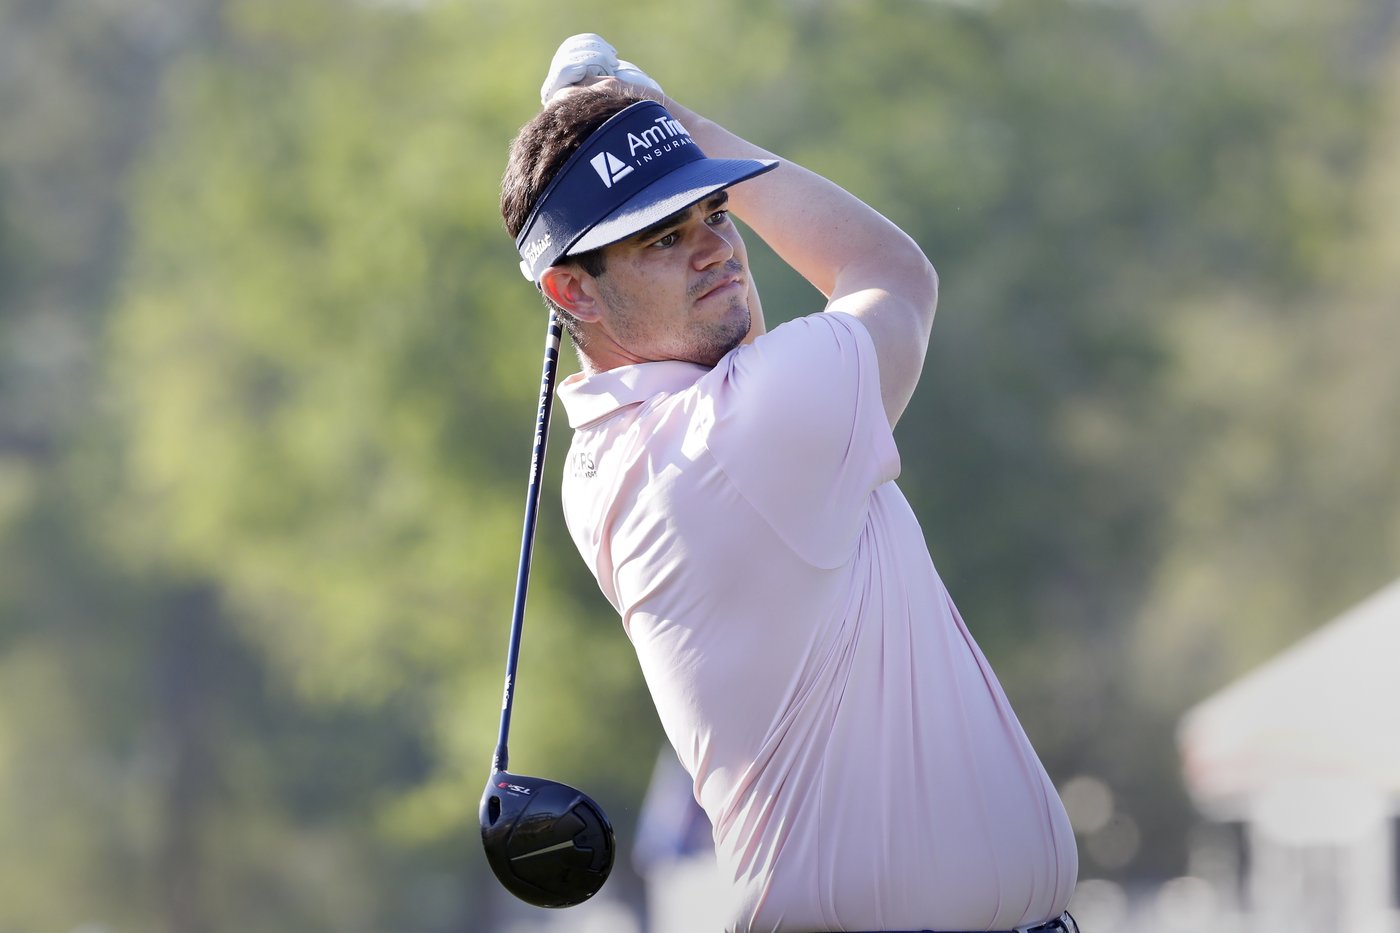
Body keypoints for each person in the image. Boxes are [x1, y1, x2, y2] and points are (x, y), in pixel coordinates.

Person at [499, 34, 1079, 933]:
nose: (716, 251)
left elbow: (745, 343)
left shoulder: (626, 446)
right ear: (572, 293)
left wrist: (649, 142)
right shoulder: (743, 435)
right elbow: (893, 276)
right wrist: (680, 121)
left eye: (716, 213)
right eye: (662, 236)